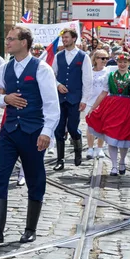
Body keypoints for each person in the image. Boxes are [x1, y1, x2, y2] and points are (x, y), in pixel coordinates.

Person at [0, 26, 60, 244]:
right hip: (10, 131)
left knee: (35, 179)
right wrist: (5, 99)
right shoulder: (4, 69)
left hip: (34, 132)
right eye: (7, 38)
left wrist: (46, 132)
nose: (7, 42)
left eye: (11, 39)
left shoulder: (41, 69)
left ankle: (30, 228)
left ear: (24, 42)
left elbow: (52, 104)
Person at [86, 52, 130, 176]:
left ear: (129, 63)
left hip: (127, 107)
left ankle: (122, 161)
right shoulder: (109, 75)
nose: (122, 64)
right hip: (112, 107)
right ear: (117, 62)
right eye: (120, 62)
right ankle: (114, 166)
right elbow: (103, 93)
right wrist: (93, 107)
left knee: (124, 136)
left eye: (125, 62)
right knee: (112, 135)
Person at [52, 29, 92, 171]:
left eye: (67, 38)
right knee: (59, 129)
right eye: (63, 38)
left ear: (74, 39)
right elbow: (52, 75)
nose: (64, 40)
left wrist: (84, 99)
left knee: (73, 128)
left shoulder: (83, 57)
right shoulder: (58, 56)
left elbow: (87, 80)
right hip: (60, 98)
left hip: (75, 98)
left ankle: (78, 150)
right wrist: (58, 85)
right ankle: (60, 159)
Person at [83, 49, 111, 160]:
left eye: (106, 58)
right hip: (90, 101)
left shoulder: (108, 71)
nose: (105, 60)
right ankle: (90, 148)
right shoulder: (88, 71)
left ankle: (99, 148)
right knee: (90, 125)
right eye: (102, 58)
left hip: (104, 102)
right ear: (95, 59)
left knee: (103, 125)